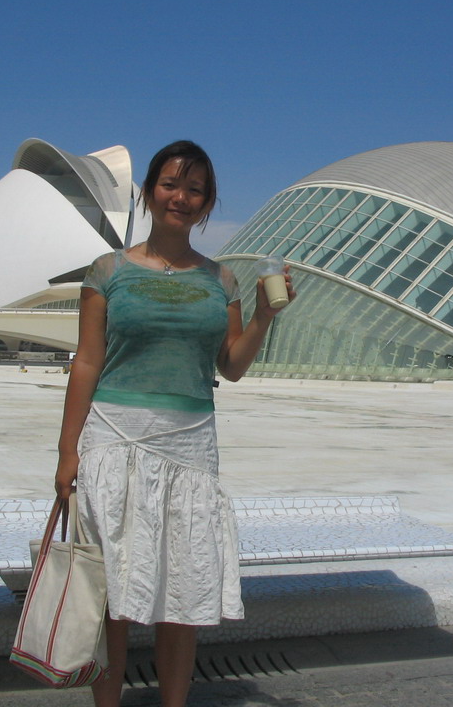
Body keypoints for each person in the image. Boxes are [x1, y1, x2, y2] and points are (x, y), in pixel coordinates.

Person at [55, 140, 295, 707]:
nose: (180, 197)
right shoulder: (108, 271)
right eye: (170, 184)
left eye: (194, 189)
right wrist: (68, 454)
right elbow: (86, 362)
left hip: (190, 447)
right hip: (114, 438)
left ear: (207, 203)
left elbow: (231, 367)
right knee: (112, 593)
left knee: (181, 594)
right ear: (148, 191)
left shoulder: (222, 281)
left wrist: (264, 316)